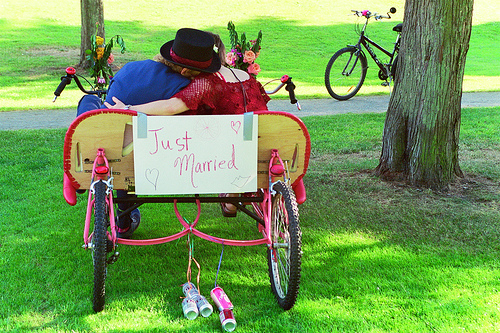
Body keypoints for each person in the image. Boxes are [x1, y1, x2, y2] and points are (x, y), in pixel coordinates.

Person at [74, 28, 223, 237]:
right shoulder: (187, 90)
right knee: (127, 144)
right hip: (155, 155)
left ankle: (78, 170)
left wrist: (123, 108)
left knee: (91, 104)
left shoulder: (130, 69)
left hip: (108, 148)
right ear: (186, 71)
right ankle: (123, 223)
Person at [105, 29, 271, 217]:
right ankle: (231, 199)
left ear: (185, 70)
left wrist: (127, 108)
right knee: (240, 134)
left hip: (220, 157)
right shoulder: (248, 78)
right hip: (256, 148)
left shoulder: (206, 83)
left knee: (224, 136)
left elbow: (170, 107)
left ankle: (230, 197)